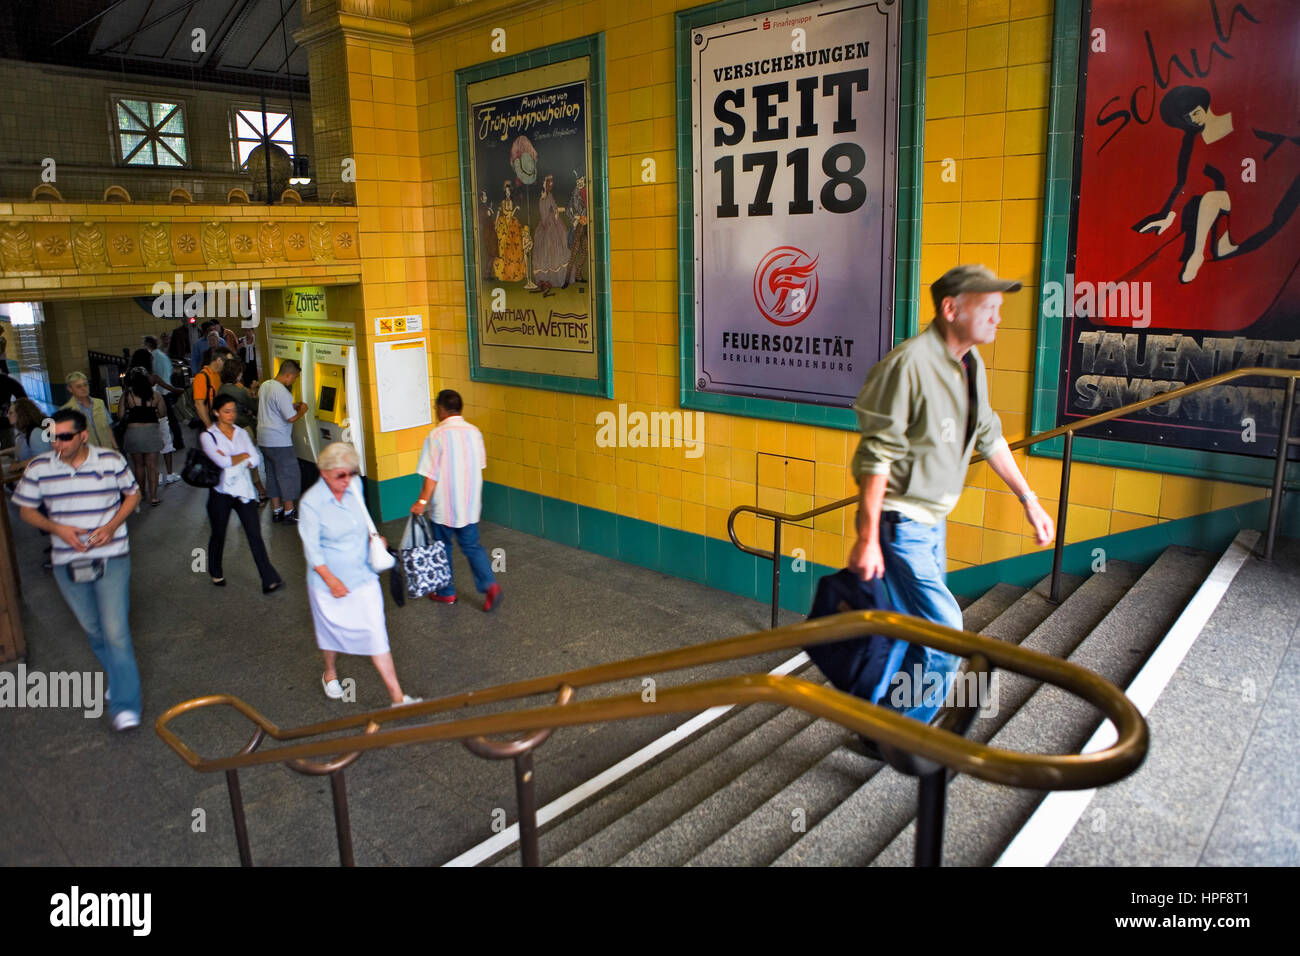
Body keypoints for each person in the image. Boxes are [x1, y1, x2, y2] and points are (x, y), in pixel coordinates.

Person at [847, 264, 1054, 722]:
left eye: (1000, 308)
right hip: (901, 524)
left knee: (909, 630)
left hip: (931, 522)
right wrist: (866, 538)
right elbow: (876, 457)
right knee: (946, 633)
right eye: (989, 307)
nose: (998, 317)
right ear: (951, 308)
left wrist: (1029, 498)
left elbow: (989, 435)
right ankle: (906, 733)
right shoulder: (908, 367)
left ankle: (880, 719)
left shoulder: (969, 363)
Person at [14, 408, 143, 730]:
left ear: (83, 436)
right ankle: (117, 675)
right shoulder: (40, 468)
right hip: (67, 561)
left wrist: (112, 526)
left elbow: (132, 494)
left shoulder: (110, 461)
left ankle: (126, 703)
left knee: (115, 630)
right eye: (53, 437)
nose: (57, 443)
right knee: (93, 628)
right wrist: (58, 530)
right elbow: (26, 509)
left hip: (111, 555)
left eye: (65, 437)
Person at [300, 442, 419, 707]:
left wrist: (374, 540)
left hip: (363, 576)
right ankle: (329, 672)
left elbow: (362, 521)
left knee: (376, 633)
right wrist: (331, 581)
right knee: (330, 634)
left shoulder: (355, 486)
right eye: (340, 475)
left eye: (351, 473)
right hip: (329, 583)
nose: (347, 480)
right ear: (324, 473)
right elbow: (312, 551)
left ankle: (397, 698)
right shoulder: (312, 503)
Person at [410, 389, 501, 611]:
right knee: (472, 546)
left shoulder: (436, 436)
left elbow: (431, 475)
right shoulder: (474, 432)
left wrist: (421, 502)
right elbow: (479, 464)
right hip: (469, 504)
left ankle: (446, 593)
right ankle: (490, 585)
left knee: (442, 547)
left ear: (441, 409)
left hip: (444, 506)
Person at [199, 394, 283, 593]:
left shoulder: (241, 433)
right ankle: (215, 569)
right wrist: (241, 457)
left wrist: (236, 458)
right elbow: (222, 463)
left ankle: (268, 578)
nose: (231, 415)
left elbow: (254, 459)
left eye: (233, 411)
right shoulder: (208, 436)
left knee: (255, 534)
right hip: (220, 492)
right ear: (216, 412)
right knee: (218, 533)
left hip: (244, 492)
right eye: (227, 411)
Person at [258, 359, 308, 524]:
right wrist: (302, 411)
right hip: (279, 440)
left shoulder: (265, 385)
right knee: (288, 475)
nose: (294, 381)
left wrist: (291, 406)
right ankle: (289, 512)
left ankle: (277, 510)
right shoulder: (283, 392)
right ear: (288, 375)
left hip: (263, 439)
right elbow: (290, 418)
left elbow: (273, 408)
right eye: (294, 378)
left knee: (272, 474)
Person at [218, 356, 268, 502]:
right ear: (236, 373)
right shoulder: (238, 391)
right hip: (243, 430)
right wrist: (254, 391)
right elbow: (255, 406)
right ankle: (260, 492)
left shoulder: (221, 389)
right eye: (240, 372)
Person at [117, 366, 166, 506]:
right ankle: (154, 497)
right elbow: (162, 413)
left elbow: (120, 415)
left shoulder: (127, 395)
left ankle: (142, 494)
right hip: (151, 433)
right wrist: (151, 413)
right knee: (152, 466)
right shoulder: (156, 395)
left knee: (138, 466)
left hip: (133, 433)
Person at [61, 371, 117, 450]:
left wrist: (115, 448)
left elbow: (108, 428)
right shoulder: (66, 411)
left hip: (106, 451)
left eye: (85, 385)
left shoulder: (99, 403)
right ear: (70, 389)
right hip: (87, 455)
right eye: (78, 386)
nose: (84, 388)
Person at [191, 346, 229, 431]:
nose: (227, 366)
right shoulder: (202, 377)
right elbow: (199, 404)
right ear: (219, 360)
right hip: (207, 422)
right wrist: (210, 426)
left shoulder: (218, 375)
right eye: (226, 363)